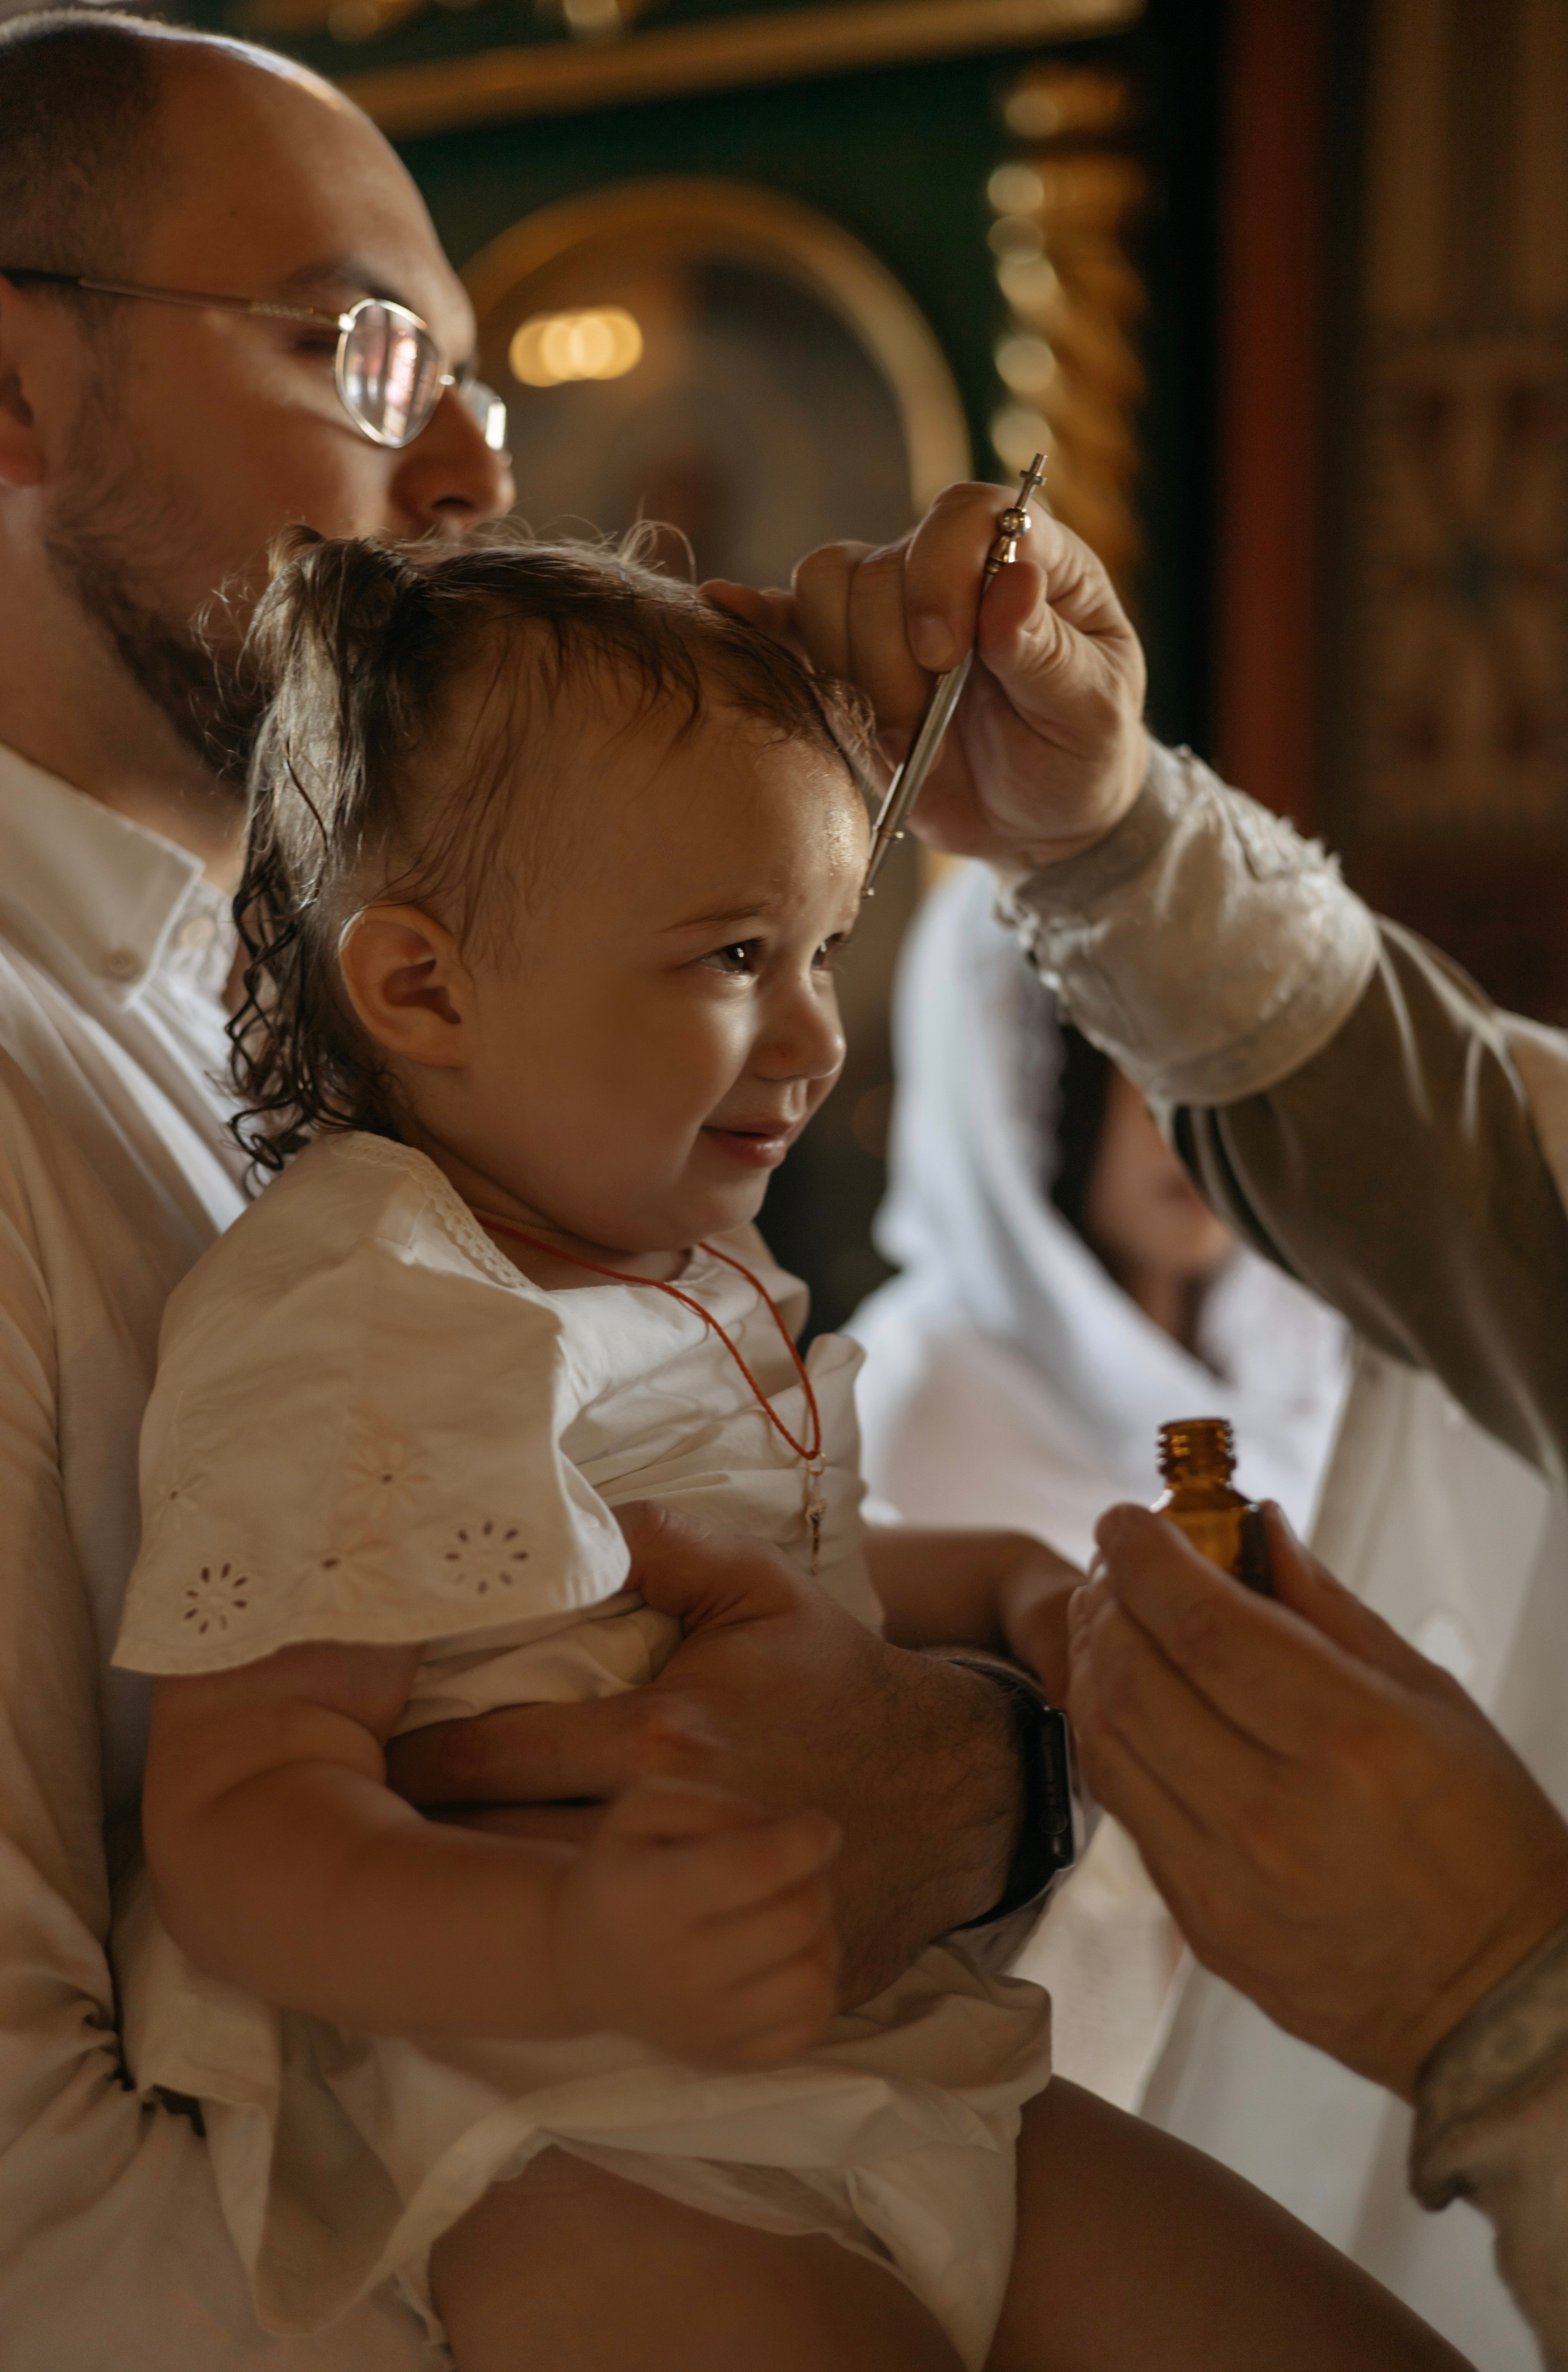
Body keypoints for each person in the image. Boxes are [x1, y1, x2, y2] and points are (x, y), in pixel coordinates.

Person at [0, 17, 1047, 2365]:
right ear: (11, 393)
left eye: (474, 366)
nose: (479, 454)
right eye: (362, 343)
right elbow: (31, 2213)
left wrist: (1001, 1758)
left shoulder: (350, 1024)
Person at [744, 481, 1568, 2366]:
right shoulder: (911, 1396)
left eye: (795, 967)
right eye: (723, 962)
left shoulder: (1286, 1379)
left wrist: (1505, 1995)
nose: (782, 1051)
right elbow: (1500, 1193)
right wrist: (1113, 848)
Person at [847, 857, 1348, 2106]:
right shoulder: (923, 1401)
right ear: (1022, 1085)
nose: (1185, 1117)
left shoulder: (1308, 1399)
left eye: (1218, 1063)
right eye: (1133, 1063)